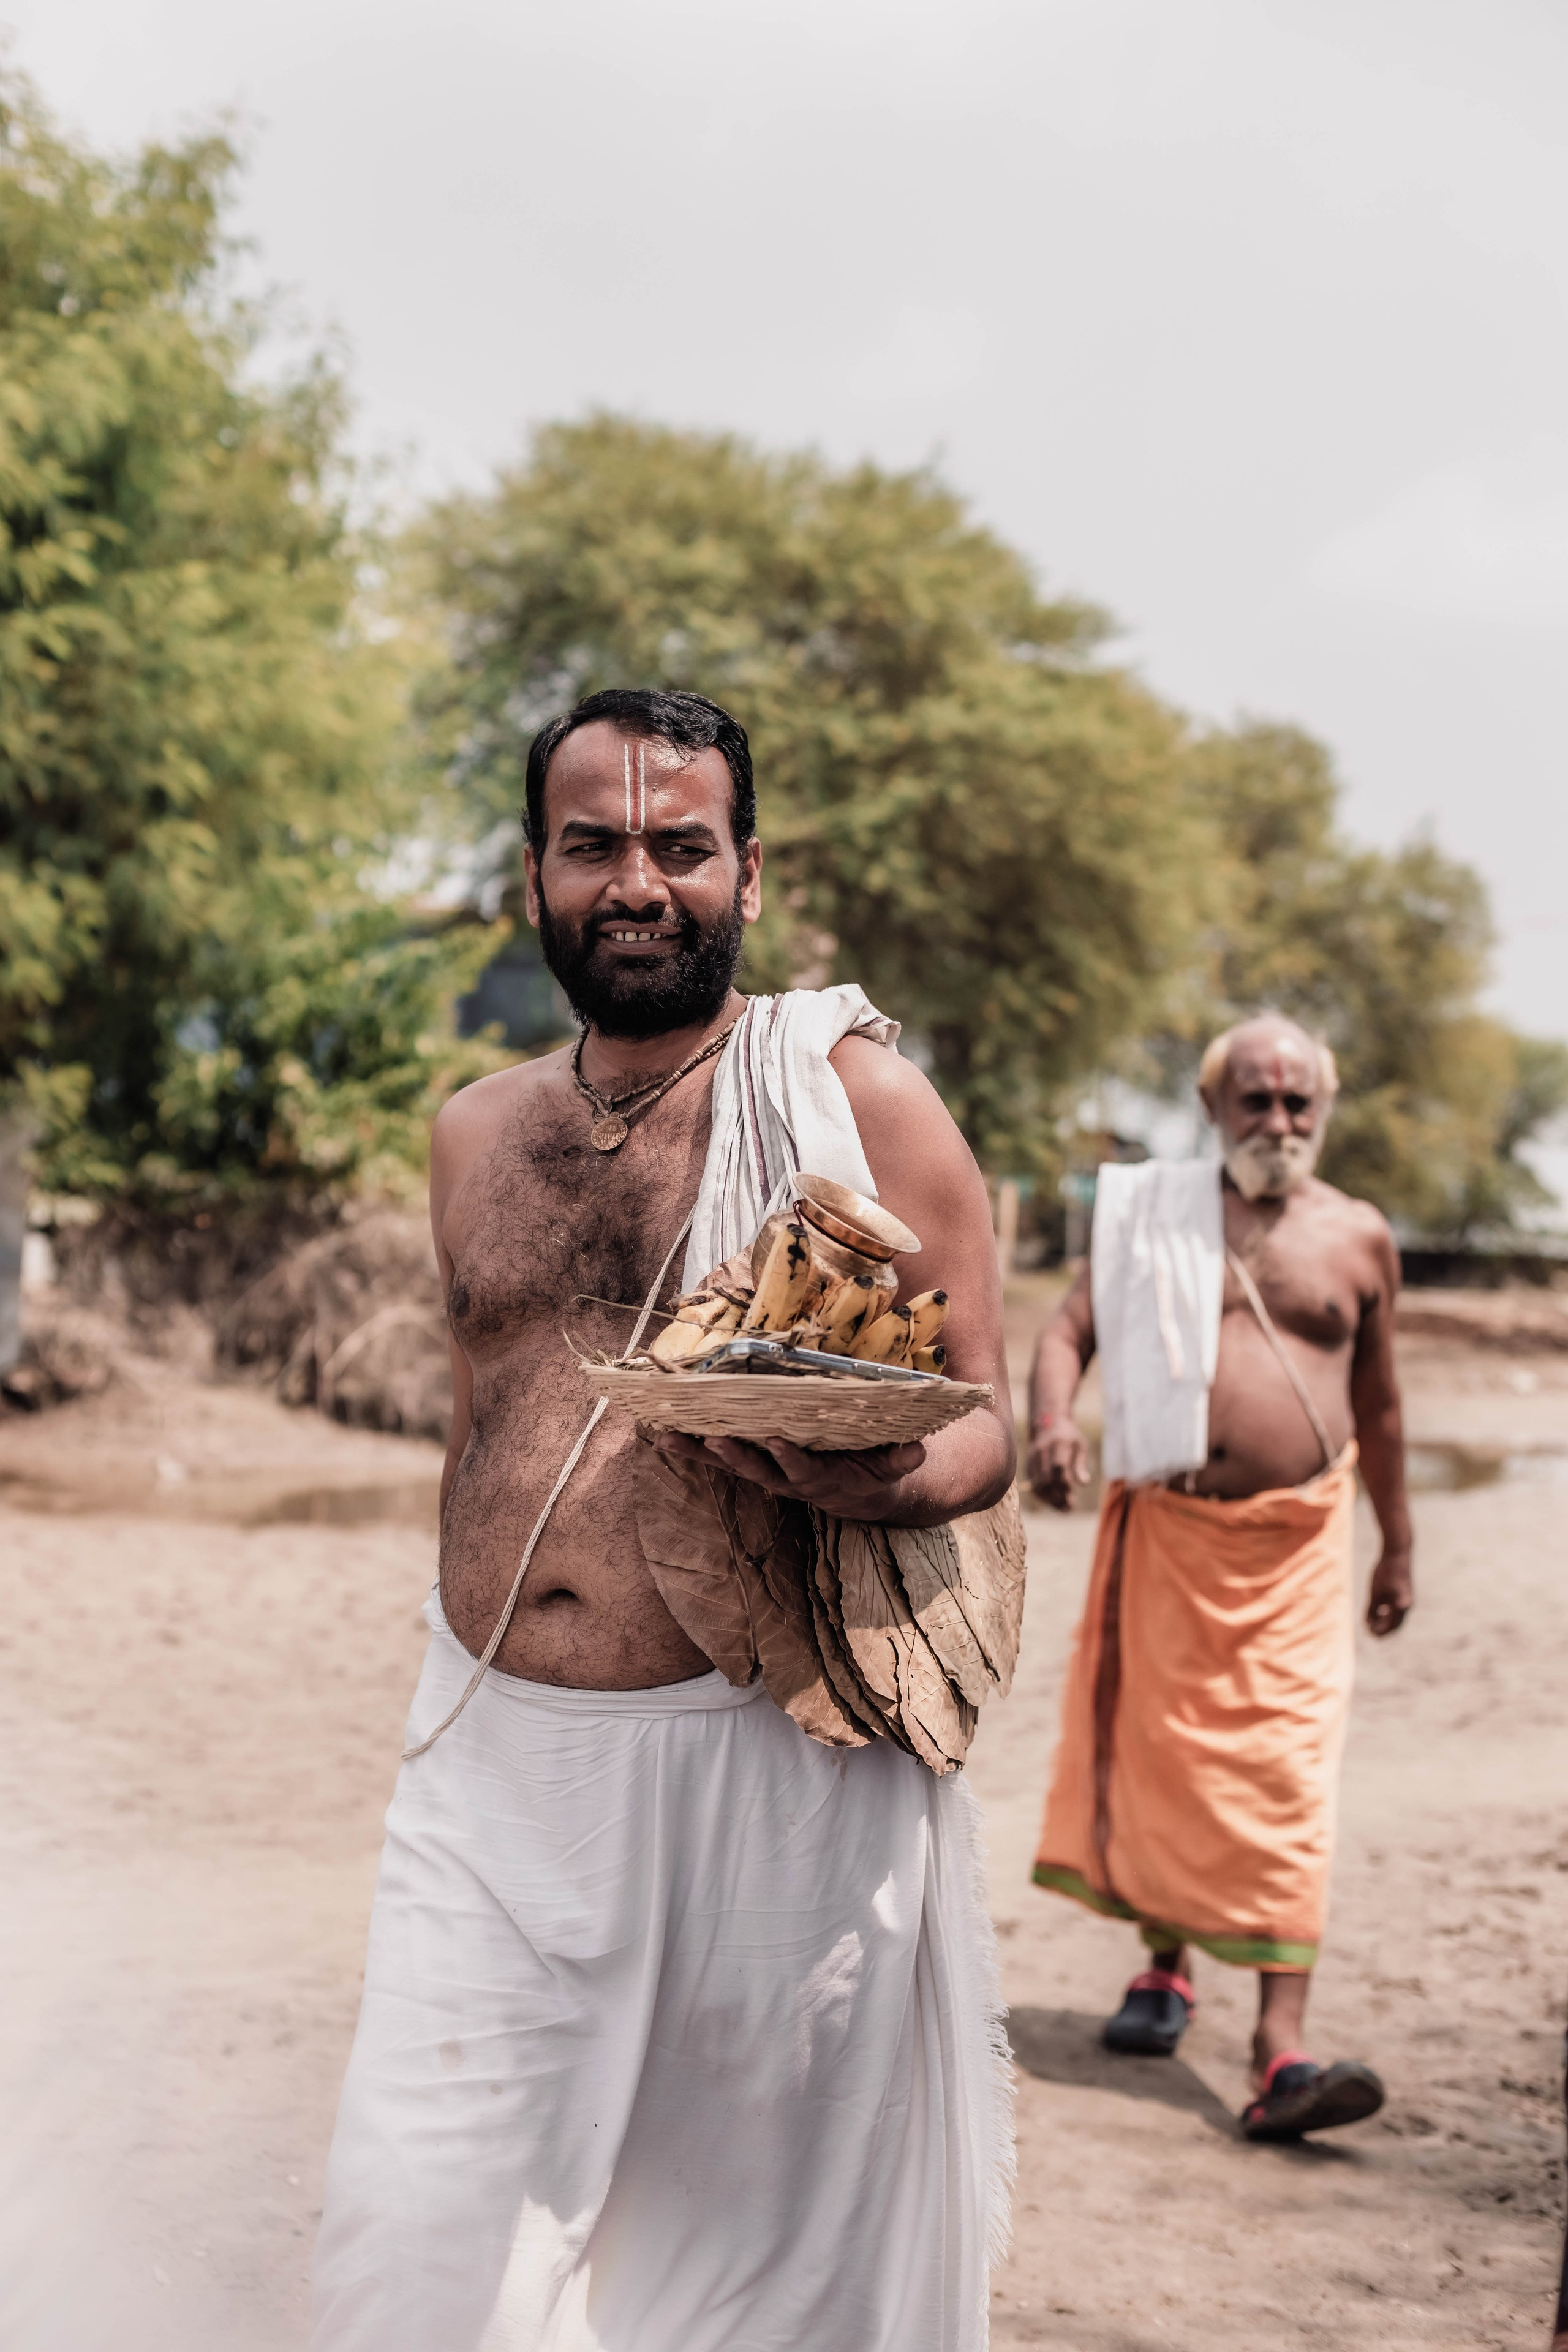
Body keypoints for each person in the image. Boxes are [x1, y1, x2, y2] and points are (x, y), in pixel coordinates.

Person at [311, 687, 1018, 2351]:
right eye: (594, 845)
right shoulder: (472, 1132)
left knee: (758, 2286)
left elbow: (990, 1411)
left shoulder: (851, 1099)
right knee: (418, 2243)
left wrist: (893, 1477)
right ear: (534, 878)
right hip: (490, 1767)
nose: (637, 882)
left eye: (679, 846)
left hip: (771, 1766)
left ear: (748, 876)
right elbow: (487, 1417)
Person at [1028, 1015, 1412, 2141]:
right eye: (1257, 1100)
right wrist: (1053, 1422)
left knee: (1288, 1778)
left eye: (1299, 1103)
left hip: (1297, 1549)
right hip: (1170, 1536)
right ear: (1211, 1109)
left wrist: (1402, 1540)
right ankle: (1163, 1970)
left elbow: (1383, 1409)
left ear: (1325, 1110)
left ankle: (1279, 2047)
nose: (1279, 1122)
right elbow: (1066, 1333)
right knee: (1161, 1753)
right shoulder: (1149, 1213)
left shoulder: (1361, 1238)